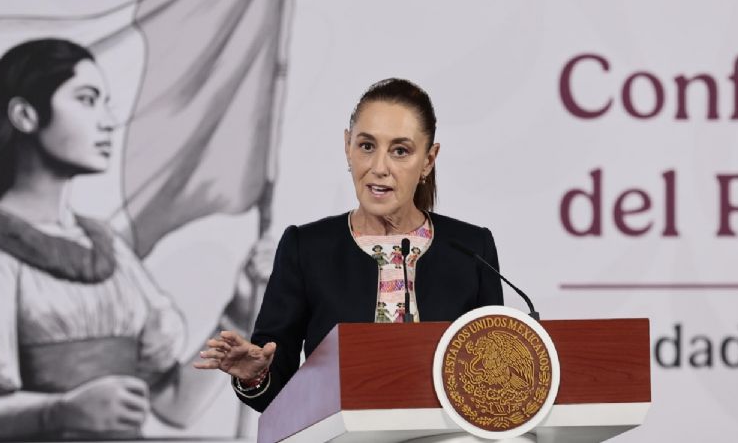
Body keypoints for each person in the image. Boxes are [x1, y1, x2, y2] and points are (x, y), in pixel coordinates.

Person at [0, 38, 257, 442]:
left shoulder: (108, 250)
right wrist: (60, 412)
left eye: (105, 103)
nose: (108, 121)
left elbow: (175, 405)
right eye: (87, 100)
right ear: (25, 115)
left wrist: (240, 315)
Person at [194, 78, 505, 412]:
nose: (379, 168)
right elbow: (275, 388)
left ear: (428, 160)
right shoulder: (306, 248)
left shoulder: (472, 249)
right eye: (367, 146)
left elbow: (495, 378)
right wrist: (256, 376)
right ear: (348, 147)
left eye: (400, 151)